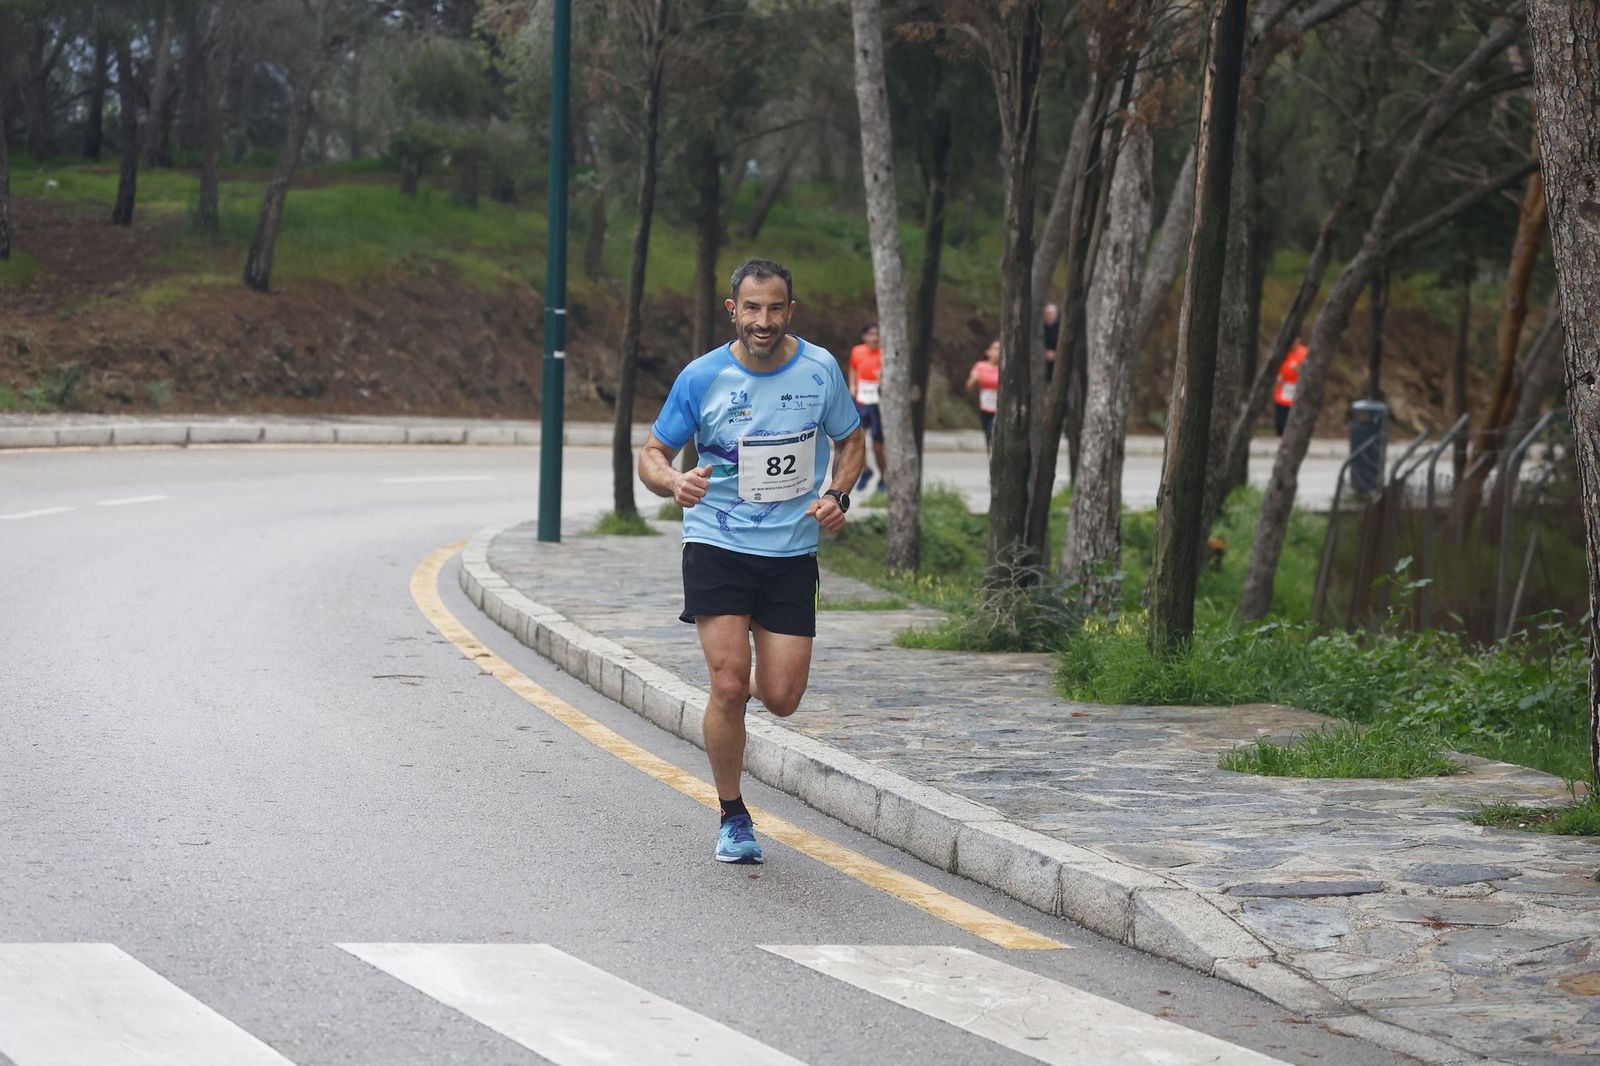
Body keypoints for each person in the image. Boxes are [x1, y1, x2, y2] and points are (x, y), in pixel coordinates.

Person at [639, 258, 866, 865]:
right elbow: (653, 452)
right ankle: (732, 814)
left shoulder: (819, 369)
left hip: (791, 551)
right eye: (752, 308)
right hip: (716, 543)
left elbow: (850, 439)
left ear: (790, 310)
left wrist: (838, 495)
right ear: (732, 310)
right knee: (729, 682)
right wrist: (674, 482)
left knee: (783, 697)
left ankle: (745, 698)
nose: (763, 320)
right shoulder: (702, 377)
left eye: (774, 308)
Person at [847, 323, 888, 493]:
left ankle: (883, 477)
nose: (874, 337)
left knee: (877, 446)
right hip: (862, 400)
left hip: (878, 402)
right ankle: (866, 470)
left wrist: (883, 378)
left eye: (877, 334)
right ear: (864, 336)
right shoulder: (857, 351)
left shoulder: (885, 353)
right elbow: (853, 368)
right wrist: (852, 385)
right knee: (857, 439)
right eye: (870, 334)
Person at [966, 339, 1001, 448]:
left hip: (1000, 409)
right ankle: (991, 455)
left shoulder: (1004, 368)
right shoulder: (980, 366)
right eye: (996, 349)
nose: (998, 352)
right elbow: (969, 386)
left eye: (1001, 350)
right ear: (988, 352)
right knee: (988, 435)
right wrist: (974, 380)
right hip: (985, 408)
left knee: (993, 432)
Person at [1273, 337, 1309, 435]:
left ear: (1298, 340)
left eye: (1294, 340)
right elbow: (1273, 368)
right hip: (1282, 394)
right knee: (1280, 426)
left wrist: (1299, 369)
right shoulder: (1281, 352)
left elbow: (1310, 373)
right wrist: (1277, 376)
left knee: (1295, 425)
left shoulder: (1305, 353)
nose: (1292, 343)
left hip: (1298, 393)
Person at [1041, 303, 1061, 382]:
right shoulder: (1040, 328)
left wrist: (1056, 354)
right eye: (1046, 314)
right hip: (1042, 365)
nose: (1048, 316)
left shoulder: (1060, 328)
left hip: (1057, 364)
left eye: (1050, 314)